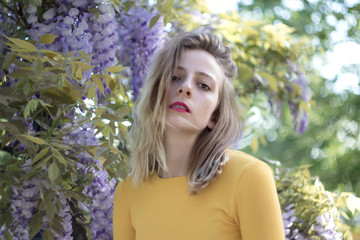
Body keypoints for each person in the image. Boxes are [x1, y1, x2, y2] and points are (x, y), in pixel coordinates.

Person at [113, 31, 285, 240]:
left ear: (215, 115)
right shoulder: (128, 192)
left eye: (203, 85)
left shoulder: (248, 177)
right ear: (155, 93)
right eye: (175, 77)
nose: (185, 87)